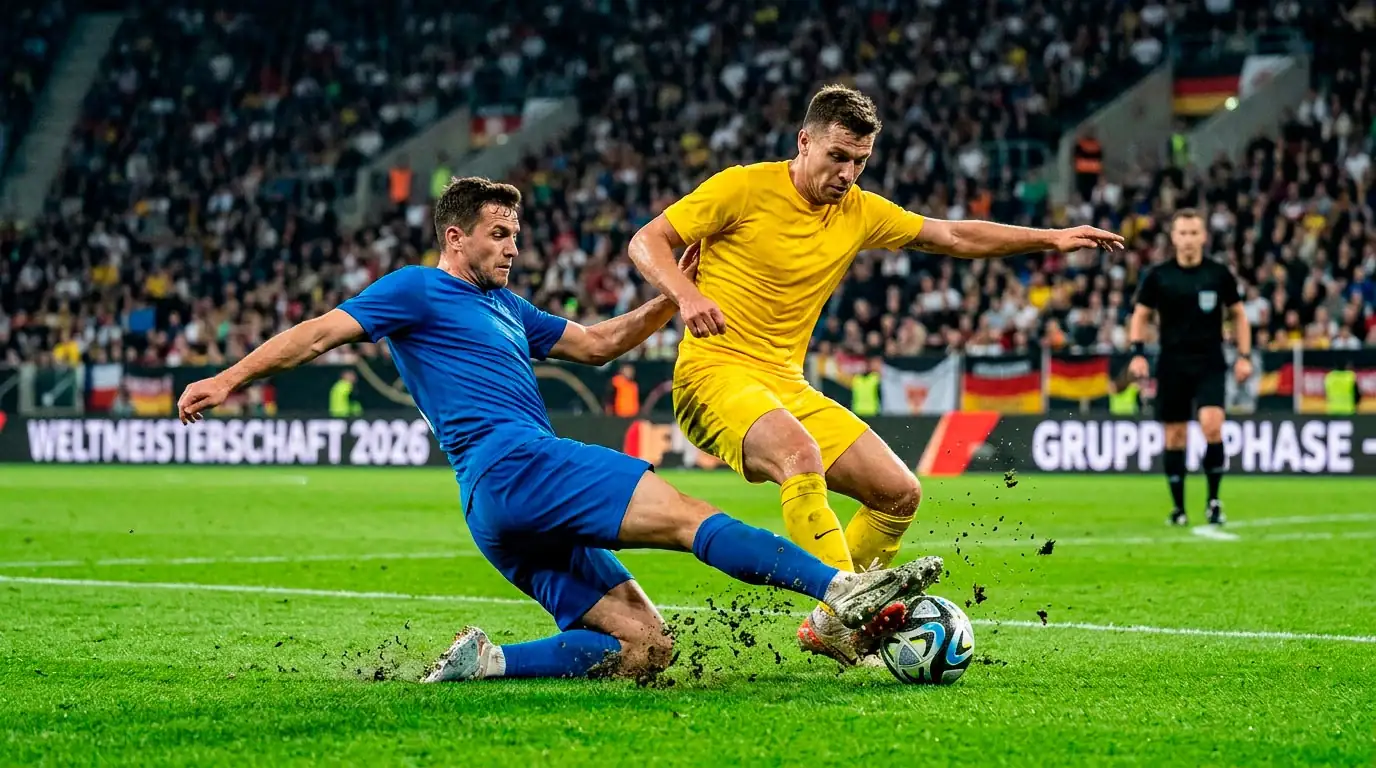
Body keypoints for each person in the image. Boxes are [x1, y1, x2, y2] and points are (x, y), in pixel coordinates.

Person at [176, 177, 942, 682]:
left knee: (646, 650)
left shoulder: (511, 309)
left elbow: (601, 343)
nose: (513, 246)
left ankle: (489, 664)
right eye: (499, 234)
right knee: (687, 518)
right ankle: (843, 589)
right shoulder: (414, 289)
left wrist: (678, 295)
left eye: (515, 233)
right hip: (514, 463)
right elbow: (317, 333)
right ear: (455, 237)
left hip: (495, 506)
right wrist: (228, 378)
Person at [627, 84, 1123, 665]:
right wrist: (685, 295)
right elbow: (648, 240)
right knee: (798, 452)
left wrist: (1050, 238)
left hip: (785, 382)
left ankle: (829, 623)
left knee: (898, 493)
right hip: (713, 373)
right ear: (804, 141)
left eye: (860, 161)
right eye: (837, 157)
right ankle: (846, 600)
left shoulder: (859, 210)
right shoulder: (742, 186)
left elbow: (953, 234)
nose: (848, 173)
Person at [1128, 209, 1252, 527]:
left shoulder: (1218, 274)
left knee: (1212, 425)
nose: (1188, 239)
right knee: (1175, 436)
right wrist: (1138, 352)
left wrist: (1244, 355)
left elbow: (1238, 314)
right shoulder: (1158, 276)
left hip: (1210, 360)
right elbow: (1140, 315)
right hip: (1171, 362)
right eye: (1182, 233)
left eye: (1194, 233)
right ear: (1173, 237)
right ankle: (1179, 509)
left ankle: (1213, 501)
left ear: (1204, 236)